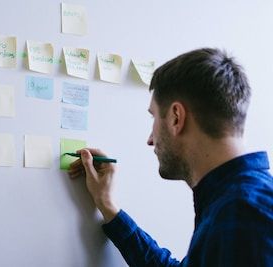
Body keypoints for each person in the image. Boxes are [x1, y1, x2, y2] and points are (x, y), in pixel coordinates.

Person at [68, 48, 273, 266]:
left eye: (154, 117)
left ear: (176, 117)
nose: (150, 139)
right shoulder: (234, 202)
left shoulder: (245, 213)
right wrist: (106, 205)